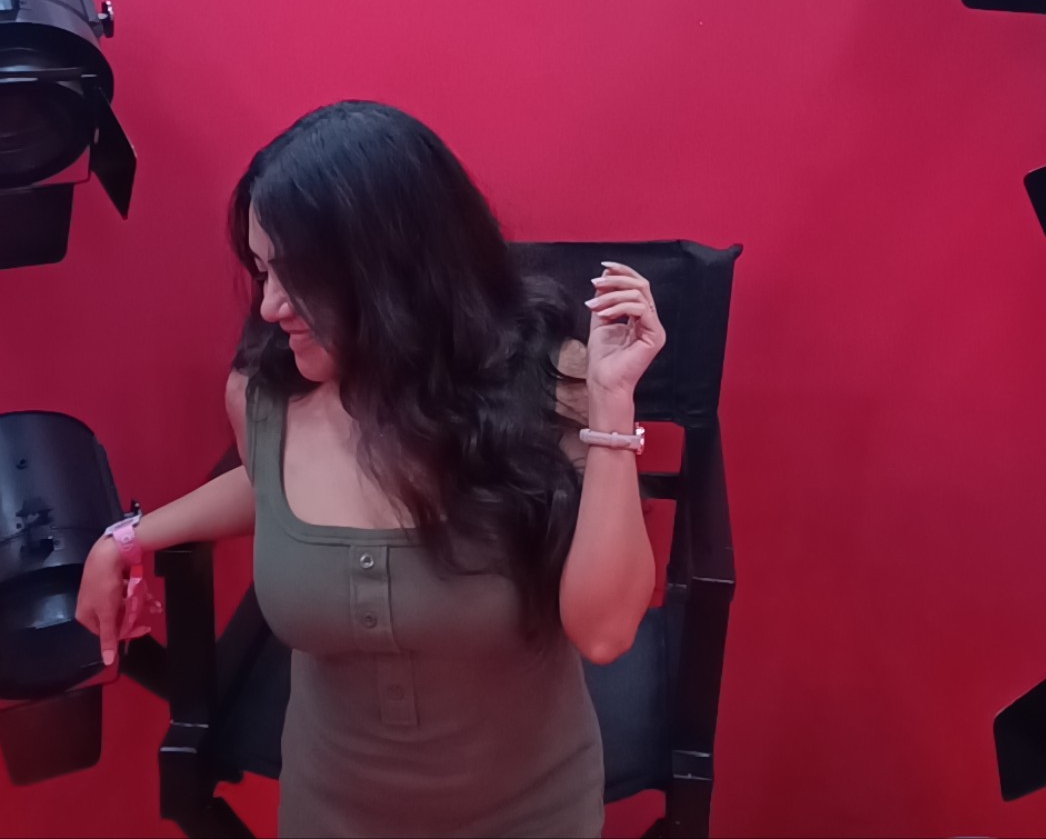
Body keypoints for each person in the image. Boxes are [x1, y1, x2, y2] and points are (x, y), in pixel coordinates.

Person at [75, 100, 662, 839]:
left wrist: (611, 409)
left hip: (529, 815)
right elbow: (272, 487)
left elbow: (604, 633)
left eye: (297, 277)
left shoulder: (548, 388)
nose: (270, 306)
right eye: (261, 270)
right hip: (330, 813)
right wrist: (129, 538)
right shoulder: (265, 394)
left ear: (394, 272)